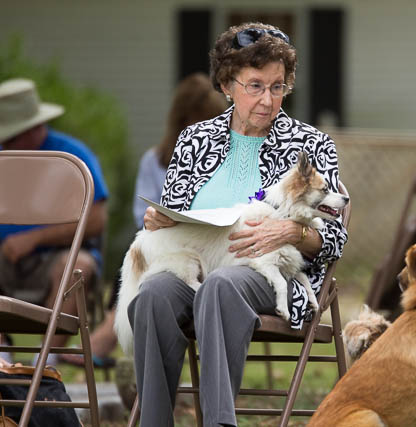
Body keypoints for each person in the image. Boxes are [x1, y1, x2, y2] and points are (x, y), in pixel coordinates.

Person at [128, 22, 347, 426]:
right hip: (195, 264)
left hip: (264, 271)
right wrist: (159, 219)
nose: (268, 100)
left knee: (221, 286)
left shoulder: (310, 143)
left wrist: (292, 232)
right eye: (255, 86)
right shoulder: (195, 139)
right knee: (155, 293)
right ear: (228, 84)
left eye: (277, 87)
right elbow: (173, 216)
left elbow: (334, 238)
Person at [59, 73, 228, 368]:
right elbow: (143, 213)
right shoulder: (155, 161)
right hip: (163, 238)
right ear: (181, 121)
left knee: (144, 255)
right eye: (196, 122)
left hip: (206, 243)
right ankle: (116, 336)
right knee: (141, 247)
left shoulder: (225, 160)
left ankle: (107, 337)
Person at [0, 78, 109, 364]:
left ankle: (44, 365)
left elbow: (97, 219)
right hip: (5, 263)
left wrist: (34, 238)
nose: (4, 143)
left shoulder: (71, 157)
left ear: (34, 127)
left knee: (78, 268)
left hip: (57, 261)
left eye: (10, 137)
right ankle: (4, 361)